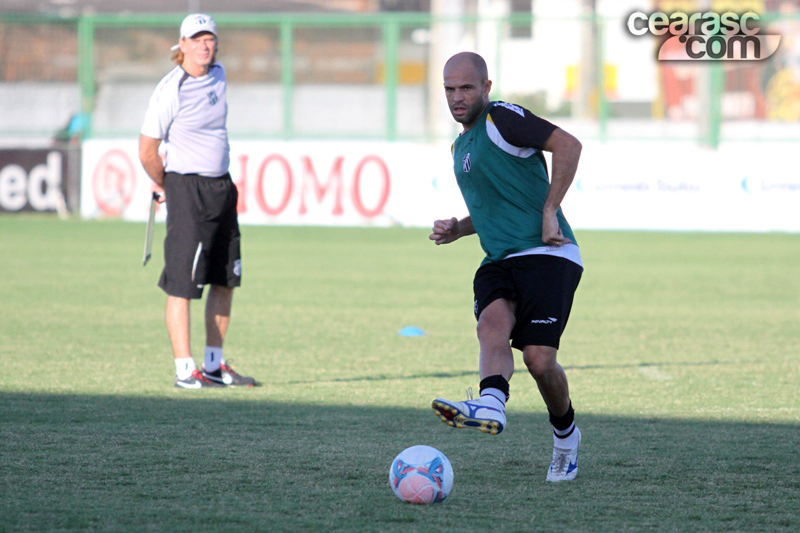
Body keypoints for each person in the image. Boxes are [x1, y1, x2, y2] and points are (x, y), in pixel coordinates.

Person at [429, 52, 583, 482]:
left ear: (486, 88)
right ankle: (491, 403)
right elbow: (497, 206)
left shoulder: (502, 119)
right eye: (449, 89)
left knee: (539, 360)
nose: (457, 97)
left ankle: (566, 436)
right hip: (499, 259)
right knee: (491, 324)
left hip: (548, 254)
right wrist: (458, 228)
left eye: (466, 88)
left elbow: (569, 145)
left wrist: (551, 209)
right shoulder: (461, 145)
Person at [139, 13, 259, 389]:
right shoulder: (171, 88)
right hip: (186, 190)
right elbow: (147, 151)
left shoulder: (220, 75)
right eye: (197, 39)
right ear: (183, 44)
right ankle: (184, 369)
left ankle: (213, 364)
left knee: (225, 278)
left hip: (222, 187)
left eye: (210, 39)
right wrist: (166, 186)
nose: (205, 45)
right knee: (182, 285)